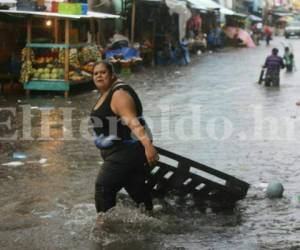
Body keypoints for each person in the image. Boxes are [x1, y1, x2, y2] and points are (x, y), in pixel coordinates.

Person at [90, 61, 159, 213]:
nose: (99, 76)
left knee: (103, 188)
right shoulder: (107, 93)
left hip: (125, 151)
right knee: (136, 189)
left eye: (103, 72)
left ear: (112, 74)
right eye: (95, 73)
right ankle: (150, 217)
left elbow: (132, 122)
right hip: (120, 152)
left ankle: (104, 226)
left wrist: (148, 147)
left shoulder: (119, 94)